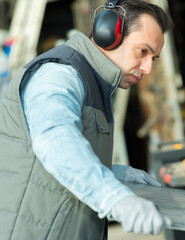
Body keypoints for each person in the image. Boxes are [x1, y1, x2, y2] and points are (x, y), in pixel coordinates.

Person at [0, 0, 173, 239]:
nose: (147, 68)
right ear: (108, 34)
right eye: (143, 51)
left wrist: (116, 174)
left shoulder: (95, 83)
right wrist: (115, 197)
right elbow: (55, 141)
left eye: (153, 58)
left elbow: (54, 166)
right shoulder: (60, 75)